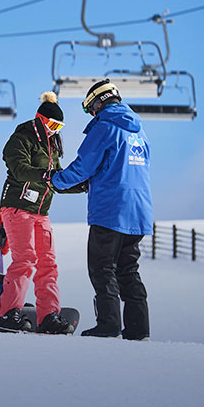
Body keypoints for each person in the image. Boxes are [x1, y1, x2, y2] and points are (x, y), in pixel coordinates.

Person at [50, 79, 152, 340]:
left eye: (90, 108)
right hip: (138, 212)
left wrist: (54, 179)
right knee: (128, 269)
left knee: (102, 267)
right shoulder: (139, 132)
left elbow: (84, 166)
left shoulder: (105, 127)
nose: (91, 114)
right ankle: (138, 330)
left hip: (110, 209)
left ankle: (108, 325)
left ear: (98, 102)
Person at [0, 91, 84, 334]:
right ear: (41, 119)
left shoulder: (52, 146)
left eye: (60, 126)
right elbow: (19, 168)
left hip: (41, 212)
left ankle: (48, 317)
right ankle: (7, 313)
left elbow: (57, 180)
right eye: (53, 124)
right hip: (18, 208)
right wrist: (44, 175)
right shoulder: (22, 137)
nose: (56, 129)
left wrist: (81, 186)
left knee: (48, 264)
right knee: (24, 259)